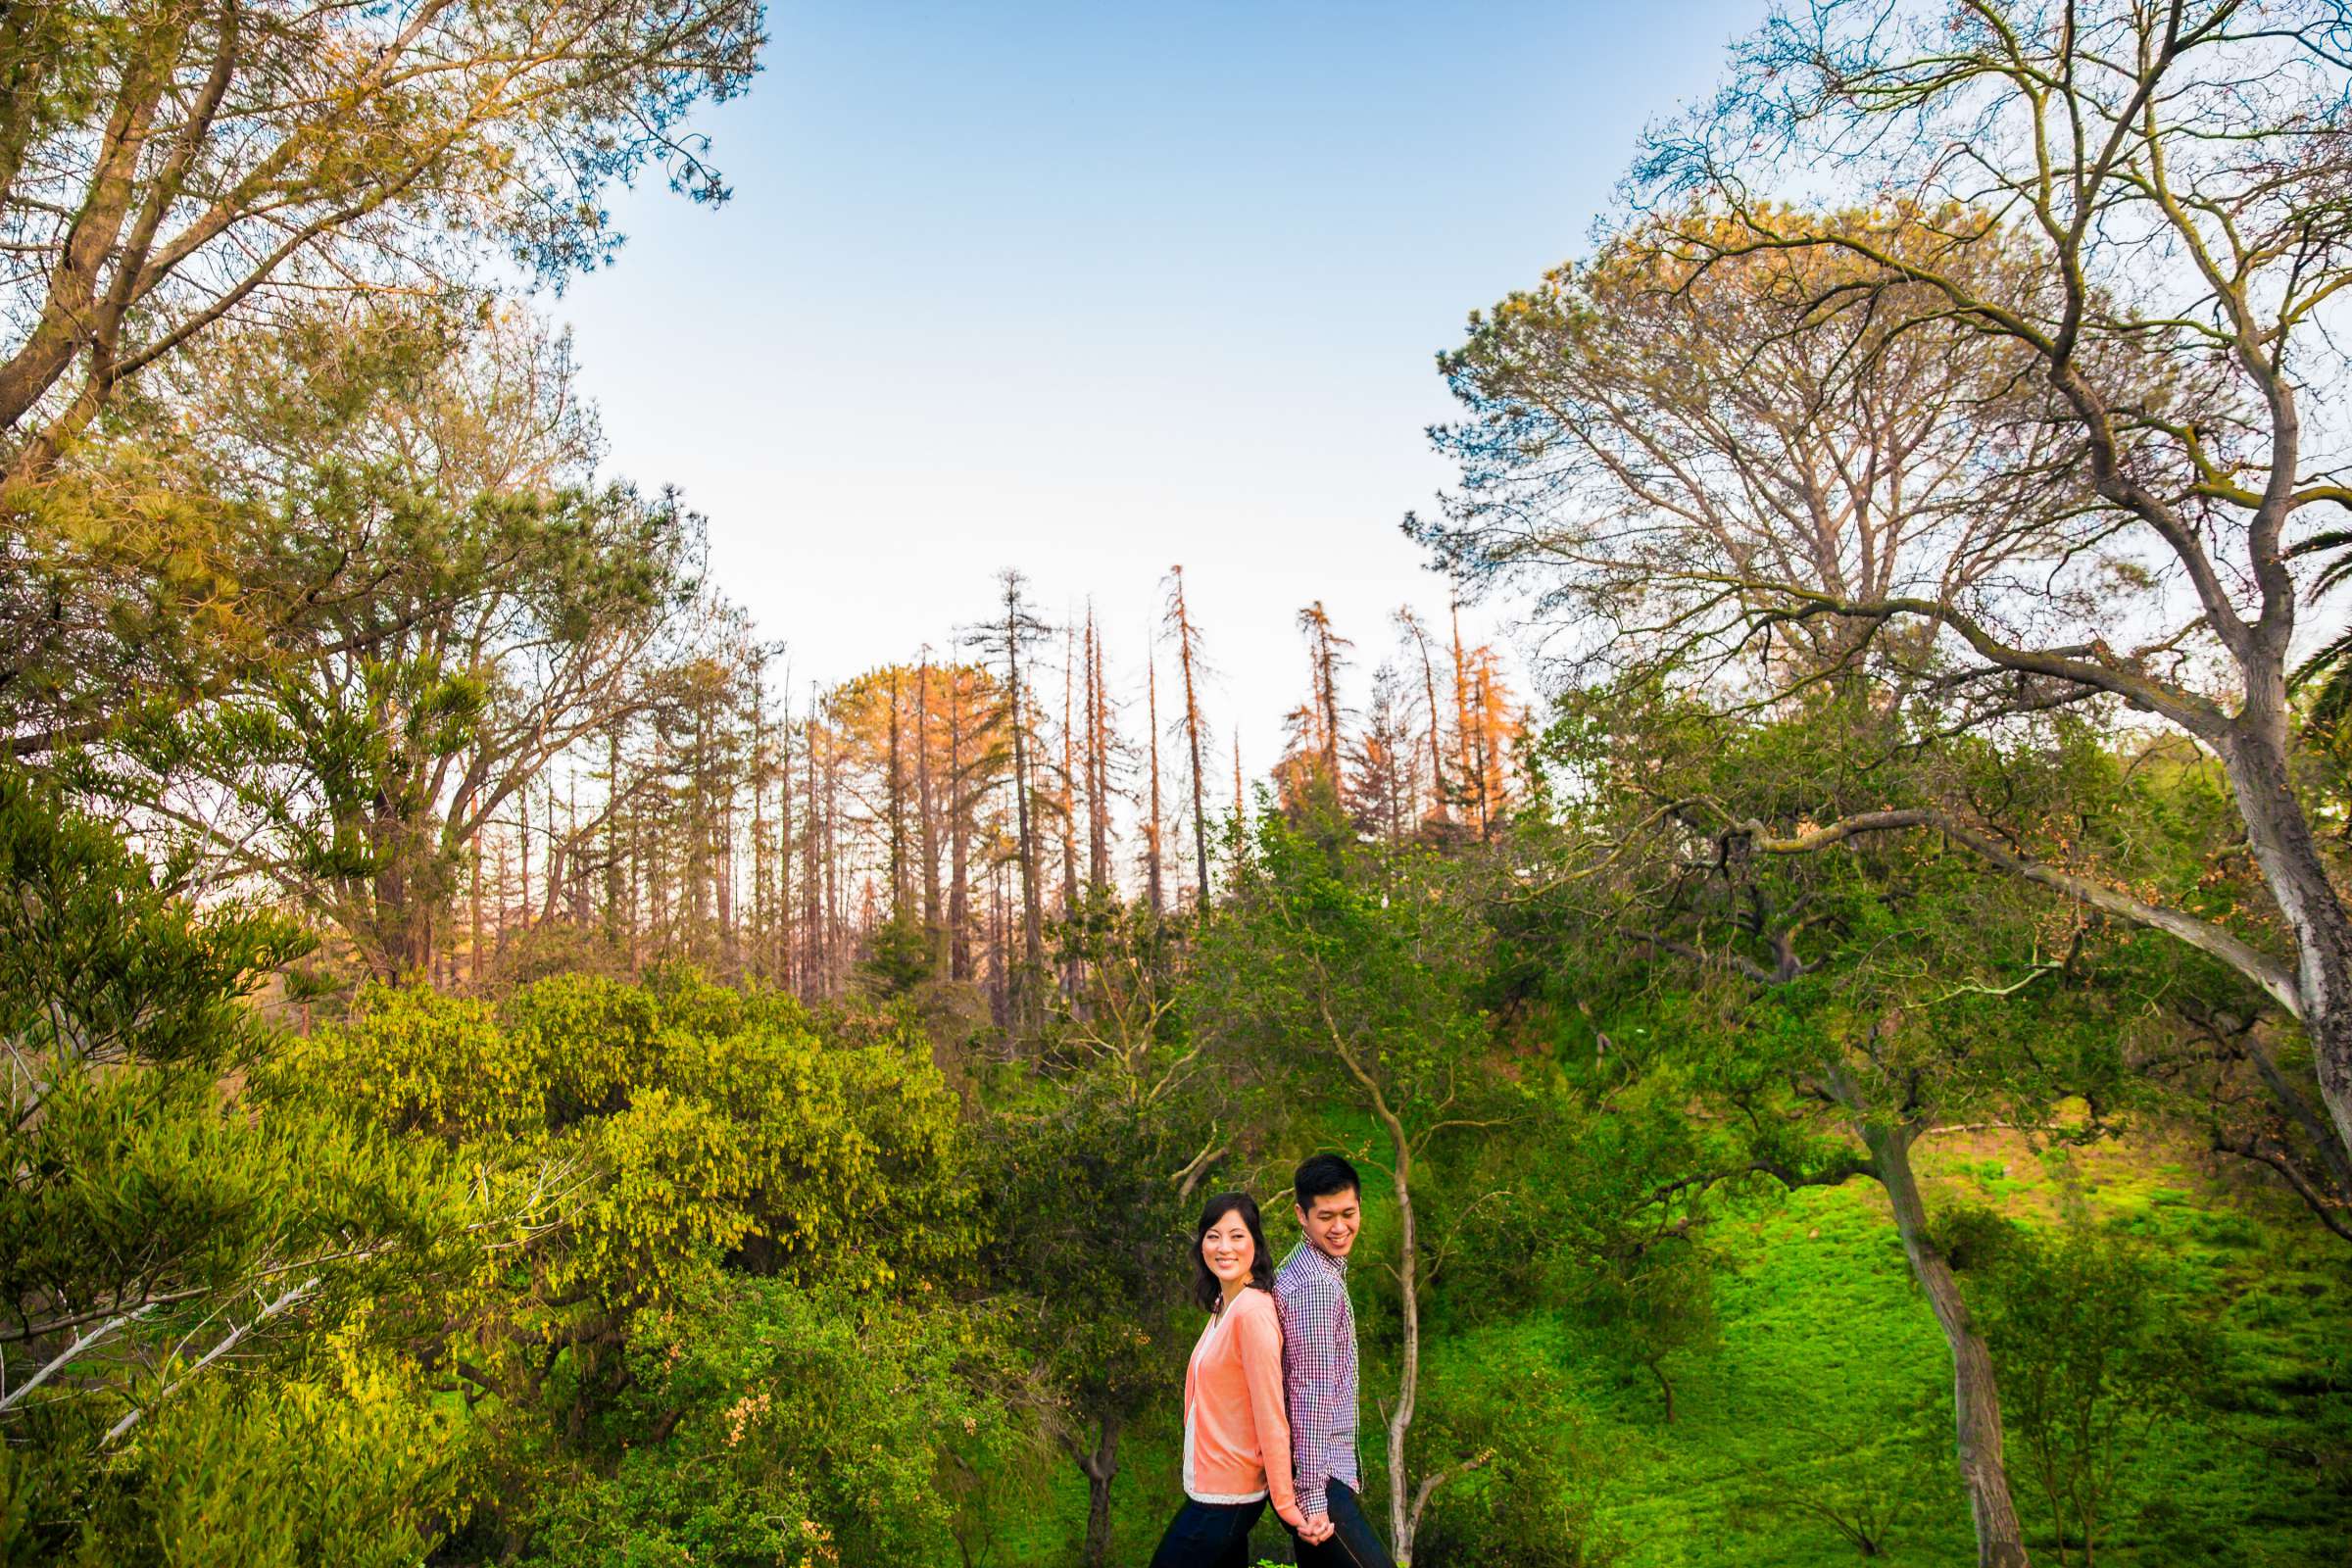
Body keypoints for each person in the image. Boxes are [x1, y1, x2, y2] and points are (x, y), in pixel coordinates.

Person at [1148, 1192, 1321, 1568]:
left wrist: (1286, 1502)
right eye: (1213, 1235)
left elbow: (1270, 1411)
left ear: (1255, 1245)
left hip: (1227, 1498)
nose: (1224, 1247)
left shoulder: (1253, 1313)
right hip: (1211, 1491)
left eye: (1236, 1236)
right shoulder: (1224, 1307)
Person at [1275, 1152, 1395, 1568]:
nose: (1340, 1227)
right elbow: (1308, 1394)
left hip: (1316, 1474)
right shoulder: (1315, 1287)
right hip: (1320, 1480)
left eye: (1349, 1213)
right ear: (1301, 1216)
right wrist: (1312, 1498)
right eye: (1326, 1216)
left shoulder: (1311, 1267)